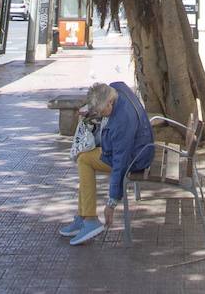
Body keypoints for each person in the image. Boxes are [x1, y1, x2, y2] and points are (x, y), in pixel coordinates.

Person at [60, 80, 155, 246]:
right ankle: (84, 217)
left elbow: (120, 163)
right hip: (140, 148)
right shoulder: (117, 88)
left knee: (84, 160)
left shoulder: (122, 122)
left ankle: (89, 219)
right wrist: (93, 113)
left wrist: (111, 203)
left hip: (136, 159)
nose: (101, 114)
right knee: (83, 159)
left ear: (110, 102)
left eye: (101, 111)